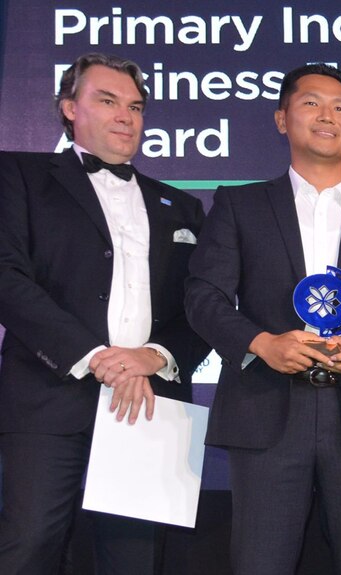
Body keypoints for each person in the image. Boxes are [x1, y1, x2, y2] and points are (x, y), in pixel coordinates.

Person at [184, 63, 341, 575]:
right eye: (311, 103)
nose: (328, 115)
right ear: (282, 120)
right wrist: (261, 342)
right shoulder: (240, 205)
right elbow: (202, 297)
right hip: (266, 417)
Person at [0, 53, 209, 574]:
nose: (126, 117)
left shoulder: (181, 206)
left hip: (147, 407)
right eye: (108, 101)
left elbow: (202, 306)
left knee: (133, 561)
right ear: (70, 108)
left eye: (135, 106)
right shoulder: (18, 174)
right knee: (29, 548)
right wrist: (95, 357)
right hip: (48, 401)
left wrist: (152, 357)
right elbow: (6, 277)